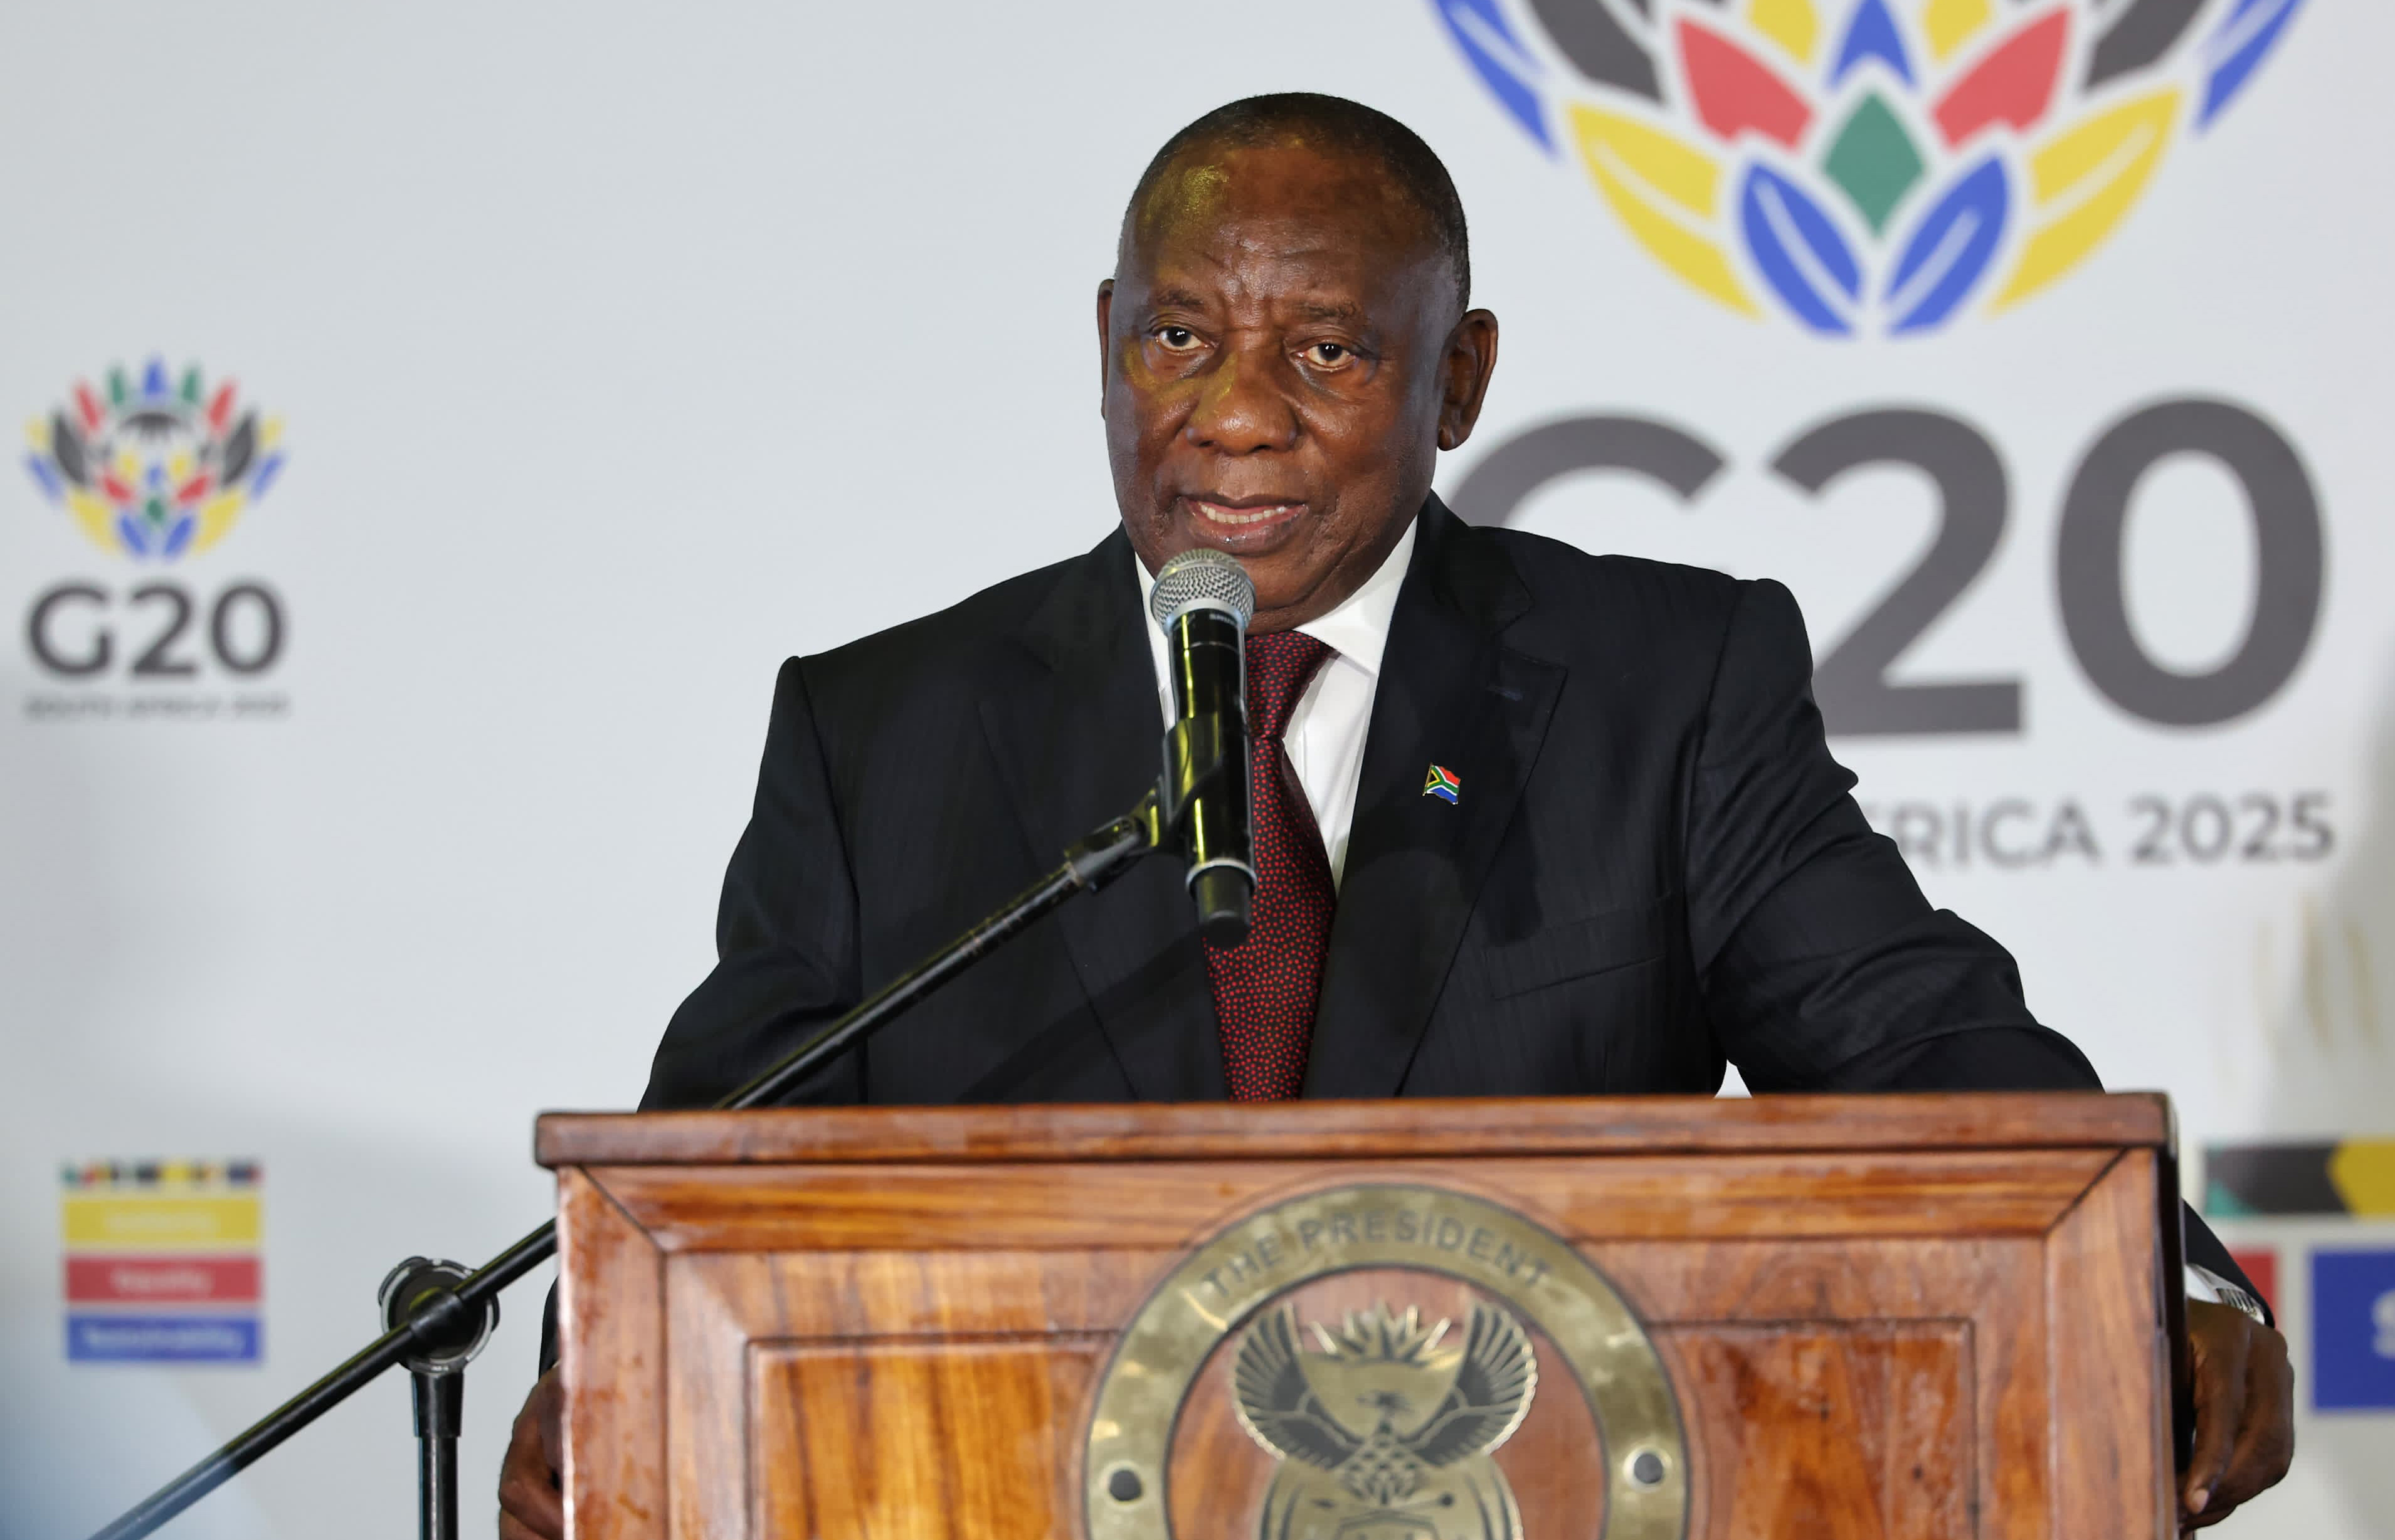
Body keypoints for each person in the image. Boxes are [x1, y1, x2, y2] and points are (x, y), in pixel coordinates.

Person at [499, 93, 2292, 1536]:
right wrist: (608, 1381)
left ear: (1460, 380)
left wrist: (2174, 1286)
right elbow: (722, 1161)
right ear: (1106, 340)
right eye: (1179, 336)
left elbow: (1922, 1043)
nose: (1234, 418)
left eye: (1332, 354)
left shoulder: (1661, 683)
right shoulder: (882, 729)